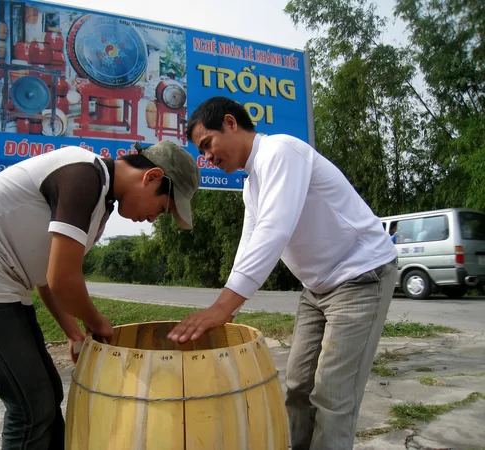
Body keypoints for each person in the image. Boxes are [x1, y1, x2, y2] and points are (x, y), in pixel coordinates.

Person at [0, 141, 200, 449]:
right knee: (31, 408)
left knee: (48, 394)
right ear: (151, 177)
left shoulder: (101, 199)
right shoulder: (83, 175)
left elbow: (47, 277)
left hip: (4, 288)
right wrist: (96, 322)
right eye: (162, 208)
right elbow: (62, 279)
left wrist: (73, 332)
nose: (154, 218)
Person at [167, 96, 398, 450]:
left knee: (333, 397)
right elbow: (250, 242)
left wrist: (222, 308)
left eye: (208, 144)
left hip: (360, 278)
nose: (208, 156)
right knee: (298, 390)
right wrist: (225, 306)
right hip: (317, 289)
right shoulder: (252, 182)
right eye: (203, 151)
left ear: (231, 123)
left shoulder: (281, 151)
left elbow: (274, 231)